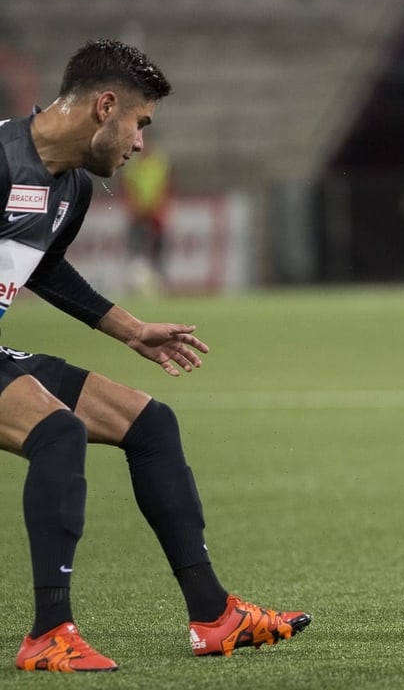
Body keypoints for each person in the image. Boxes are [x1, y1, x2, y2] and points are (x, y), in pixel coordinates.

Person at [0, 39, 310, 672]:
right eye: (140, 124)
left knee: (150, 424)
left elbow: (46, 270)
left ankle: (215, 617)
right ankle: (47, 633)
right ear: (105, 107)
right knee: (57, 432)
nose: (140, 144)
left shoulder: (72, 190)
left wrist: (130, 329)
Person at [121, 140, 172, 294]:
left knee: (158, 249)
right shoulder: (133, 164)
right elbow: (128, 188)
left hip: (156, 214)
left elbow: (165, 187)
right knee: (134, 248)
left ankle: (159, 283)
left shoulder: (159, 162)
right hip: (138, 214)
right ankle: (132, 283)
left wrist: (158, 209)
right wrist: (135, 207)